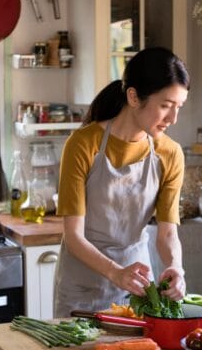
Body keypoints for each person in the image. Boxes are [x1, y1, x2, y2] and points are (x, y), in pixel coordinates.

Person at [53, 47, 190, 317]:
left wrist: (176, 266)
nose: (173, 119)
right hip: (81, 290)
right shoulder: (82, 144)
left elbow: (167, 233)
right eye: (165, 106)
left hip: (137, 290)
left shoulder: (170, 154)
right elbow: (73, 236)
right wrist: (115, 272)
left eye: (179, 107)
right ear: (134, 97)